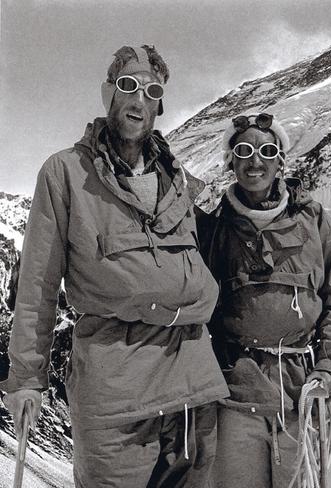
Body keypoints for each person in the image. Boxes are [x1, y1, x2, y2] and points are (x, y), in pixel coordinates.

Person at [1, 45, 229, 487]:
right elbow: (38, 285)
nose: (138, 99)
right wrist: (27, 378)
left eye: (151, 91)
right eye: (128, 86)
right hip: (114, 394)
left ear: (159, 106)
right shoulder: (65, 173)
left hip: (191, 390)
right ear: (109, 93)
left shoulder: (178, 179)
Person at [197, 113, 331, 487]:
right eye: (244, 151)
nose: (255, 161)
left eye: (266, 151)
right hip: (236, 394)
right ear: (231, 162)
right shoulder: (215, 230)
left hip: (303, 392)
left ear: (280, 162)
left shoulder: (313, 220)